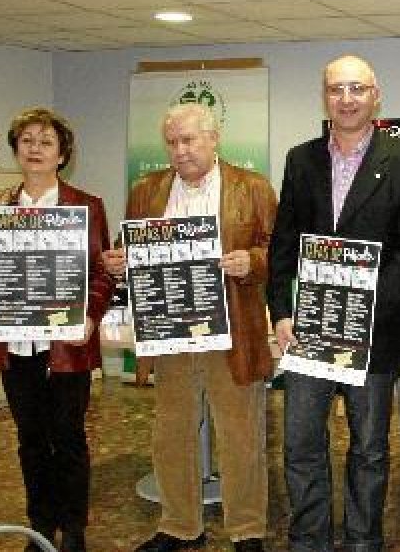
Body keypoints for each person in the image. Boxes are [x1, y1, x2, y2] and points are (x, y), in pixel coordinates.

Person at [266, 54, 400, 552]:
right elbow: (283, 244)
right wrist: (281, 312)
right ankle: (309, 539)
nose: (347, 99)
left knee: (370, 451)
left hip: (376, 332)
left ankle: (363, 541)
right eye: (337, 89)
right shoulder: (301, 159)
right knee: (300, 446)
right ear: (326, 97)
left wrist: (364, 308)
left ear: (375, 95)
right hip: (309, 332)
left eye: (357, 89)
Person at [102, 103, 277, 552]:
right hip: (171, 331)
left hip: (233, 331)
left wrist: (252, 261)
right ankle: (179, 525)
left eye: (189, 140)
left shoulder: (252, 187)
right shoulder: (147, 190)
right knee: (171, 435)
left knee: (241, 437)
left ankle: (247, 530)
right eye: (172, 142)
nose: (179, 151)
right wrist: (119, 262)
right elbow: (131, 246)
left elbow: (279, 251)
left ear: (214, 138)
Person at [0, 107, 115, 552]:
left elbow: (101, 274)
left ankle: (75, 528)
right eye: (26, 140)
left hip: (67, 342)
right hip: (17, 341)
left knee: (68, 437)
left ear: (62, 154)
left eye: (46, 142)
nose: (35, 149)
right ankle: (40, 526)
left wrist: (89, 316)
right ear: (15, 150)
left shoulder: (86, 206)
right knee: (30, 440)